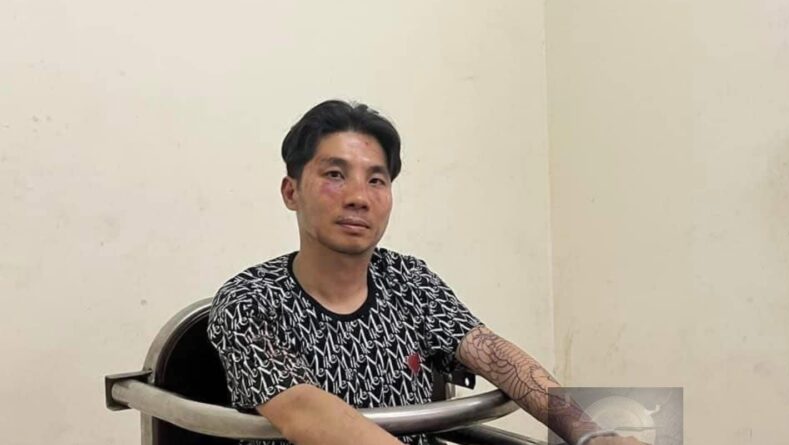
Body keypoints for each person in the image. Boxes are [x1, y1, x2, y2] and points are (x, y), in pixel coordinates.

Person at [207, 100, 644, 445]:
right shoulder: (249, 300)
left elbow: (493, 353)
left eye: (376, 180)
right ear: (291, 192)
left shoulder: (408, 281)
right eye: (335, 175)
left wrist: (592, 434)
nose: (359, 197)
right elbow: (305, 412)